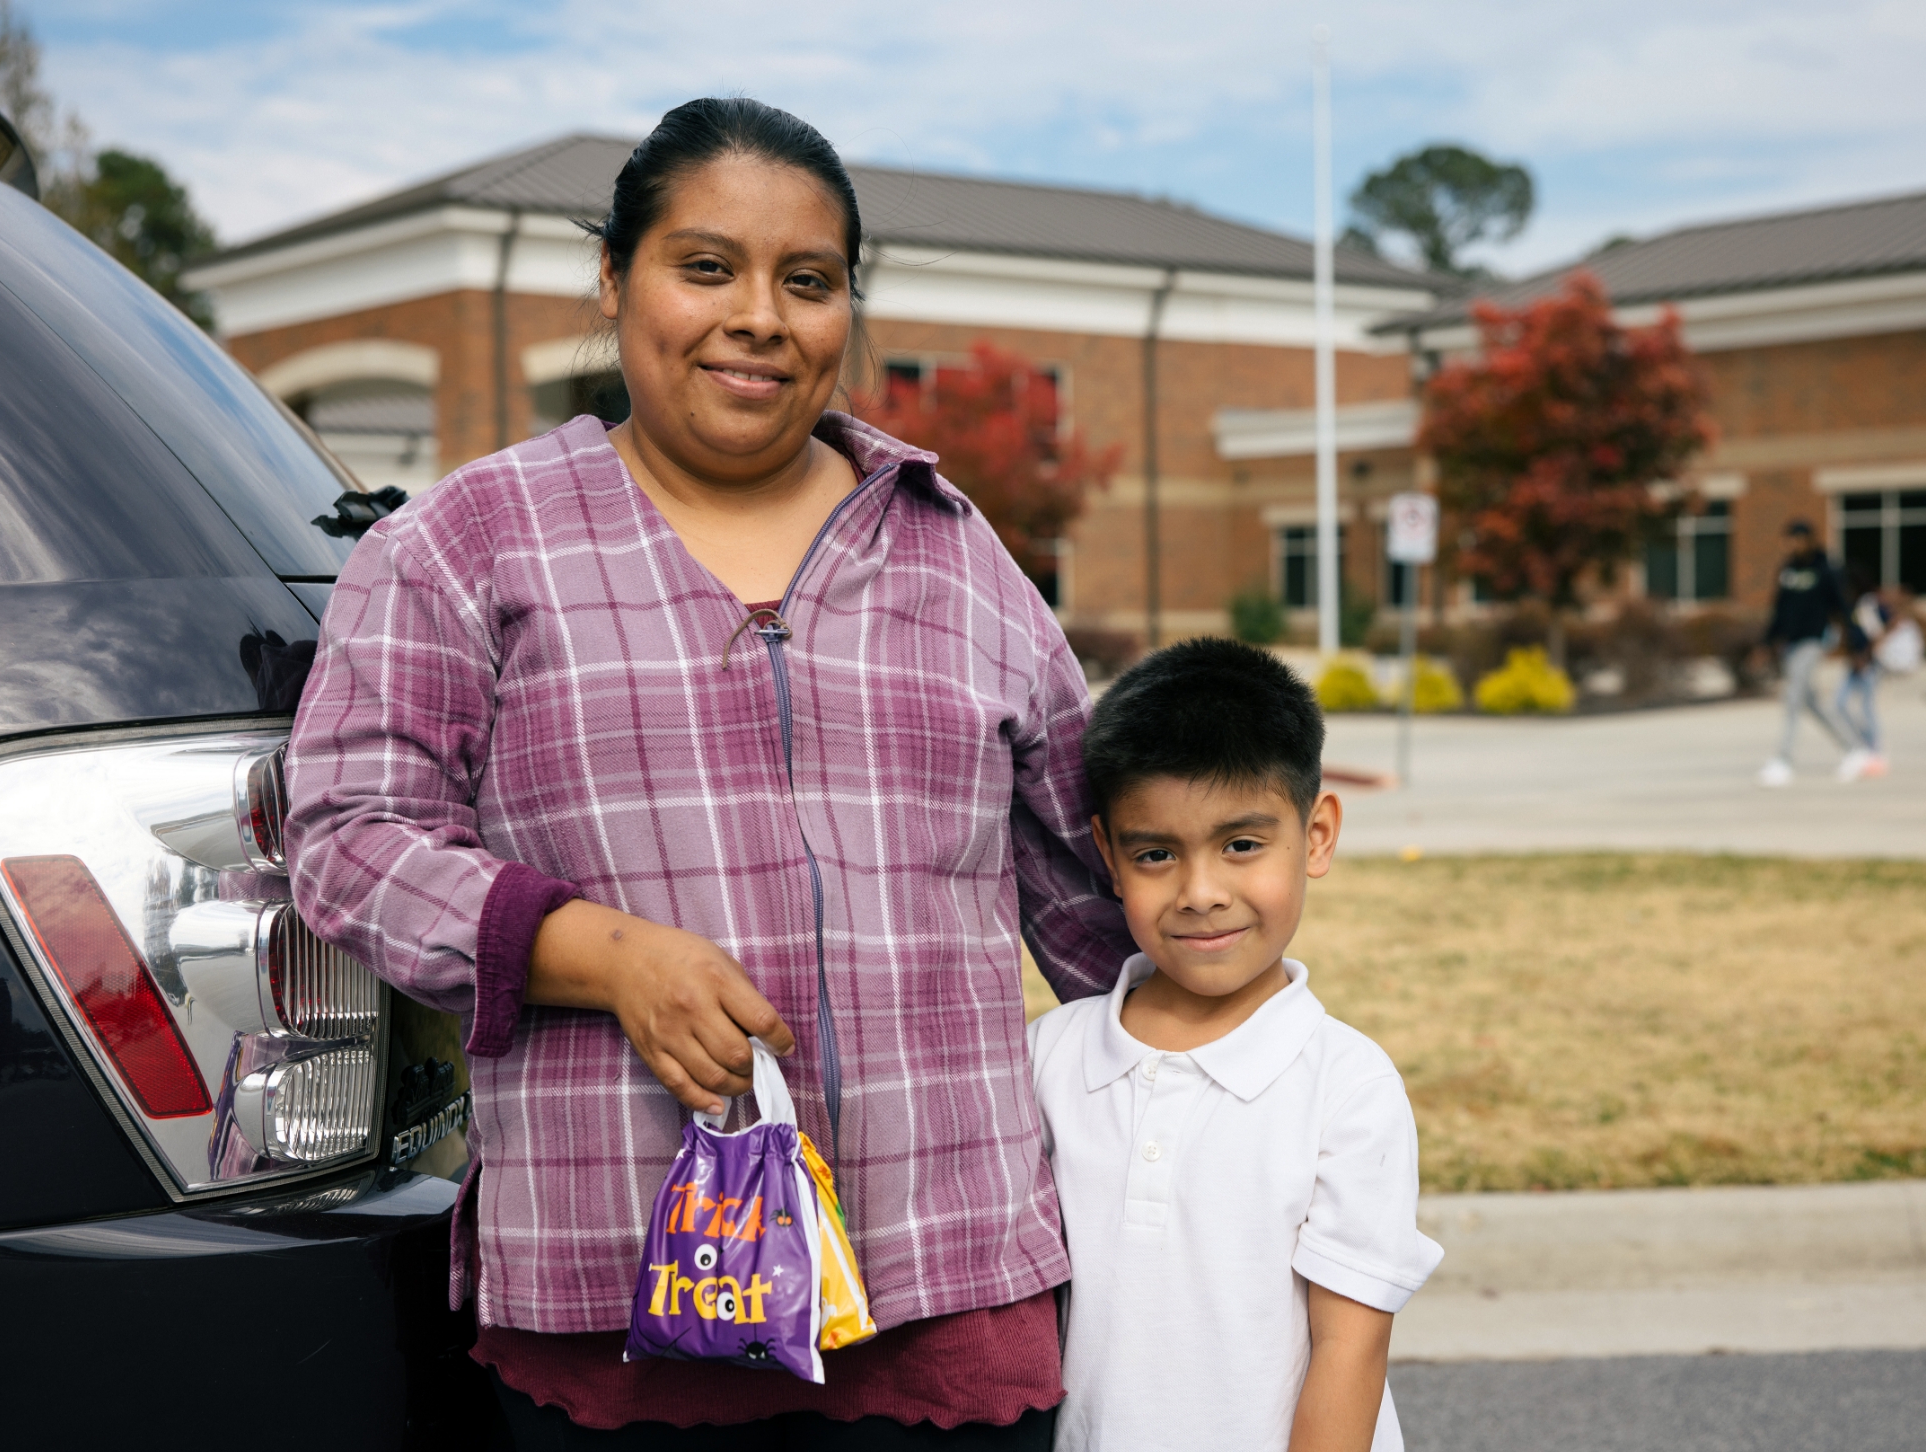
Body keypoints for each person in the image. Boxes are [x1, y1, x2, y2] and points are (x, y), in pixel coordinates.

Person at [286, 98, 1133, 1448]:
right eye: (706, 267)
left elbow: (1094, 896)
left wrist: (1269, 1072)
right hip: (624, 1299)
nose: (759, 316)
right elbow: (346, 838)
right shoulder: (467, 545)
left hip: (952, 1288)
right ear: (616, 282)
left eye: (807, 283)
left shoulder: (952, 553)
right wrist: (603, 953)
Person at [1028, 640, 1443, 1452]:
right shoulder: (1051, 1057)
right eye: (1157, 855)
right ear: (1108, 854)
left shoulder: (1347, 1085)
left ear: (1316, 835)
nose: (1202, 892)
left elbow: (1349, 1348)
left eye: (1242, 846)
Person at [1757, 519, 1870, 786]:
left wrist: (1858, 643)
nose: (1792, 545)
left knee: (1793, 696)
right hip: (1791, 643)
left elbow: (1843, 606)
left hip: (1813, 640)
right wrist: (1766, 643)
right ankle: (1855, 749)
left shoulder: (1825, 568)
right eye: (1788, 539)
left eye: (1797, 539)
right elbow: (1779, 609)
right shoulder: (1788, 570)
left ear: (1808, 539)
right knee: (1810, 701)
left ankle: (1783, 761)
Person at [1834, 563, 1892, 778]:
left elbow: (1878, 632)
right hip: (1854, 663)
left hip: (1868, 663)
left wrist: (1865, 656)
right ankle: (1862, 744)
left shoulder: (1867, 603)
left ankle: (1875, 751)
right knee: (1839, 703)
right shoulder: (1851, 605)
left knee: (1867, 707)